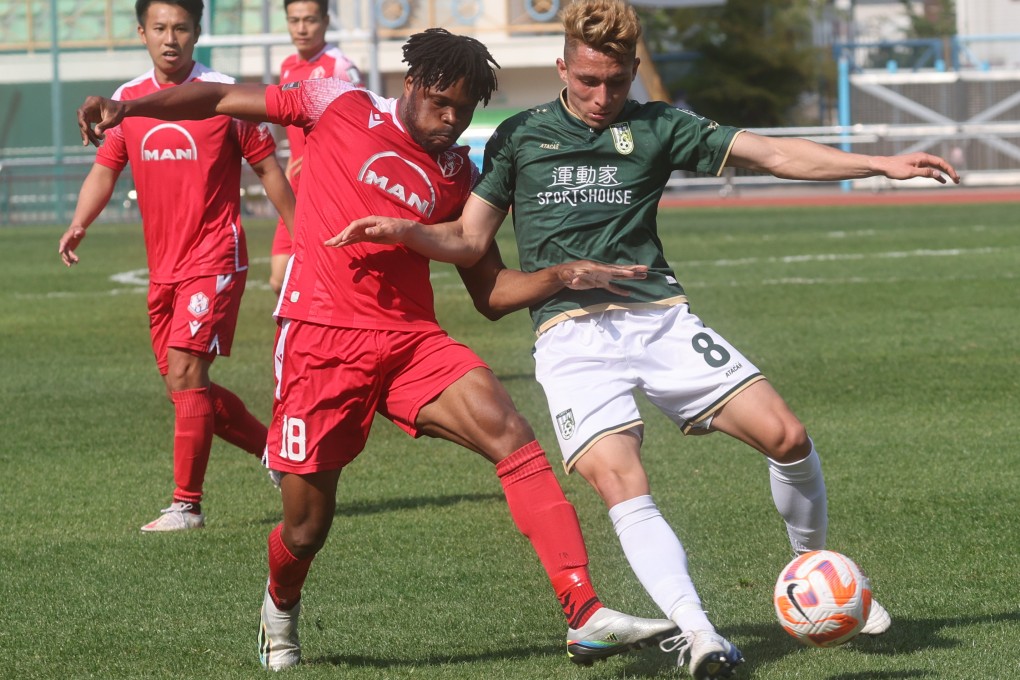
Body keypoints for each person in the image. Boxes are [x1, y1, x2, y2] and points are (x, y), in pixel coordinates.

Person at [331, 1, 962, 677]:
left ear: (633, 71)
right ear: (562, 68)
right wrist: (407, 231)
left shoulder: (659, 126)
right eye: (587, 81)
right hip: (572, 340)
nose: (602, 97)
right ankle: (700, 634)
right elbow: (467, 239)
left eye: (616, 82)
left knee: (788, 436)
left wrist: (880, 164)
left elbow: (773, 153)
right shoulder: (520, 136)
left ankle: (815, 572)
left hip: (660, 320)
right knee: (622, 480)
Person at [75, 27, 680, 671]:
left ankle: (584, 611)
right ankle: (280, 605)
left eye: (464, 110)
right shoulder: (338, 103)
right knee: (306, 527)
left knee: (510, 432)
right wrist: (129, 108)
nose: (451, 121)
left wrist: (562, 275)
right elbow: (219, 99)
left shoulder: (458, 174)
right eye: (441, 103)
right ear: (412, 85)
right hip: (320, 343)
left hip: (412, 343)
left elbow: (490, 292)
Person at [58, 0, 296, 533]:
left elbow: (269, 172)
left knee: (188, 372)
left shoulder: (226, 95)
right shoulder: (126, 102)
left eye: (182, 28)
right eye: (160, 28)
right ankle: (277, 452)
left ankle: (186, 506)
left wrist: (301, 237)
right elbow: (105, 169)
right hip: (163, 267)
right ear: (141, 32)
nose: (171, 39)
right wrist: (79, 222)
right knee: (185, 389)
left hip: (215, 256)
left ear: (197, 32)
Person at [269, 0, 363, 295]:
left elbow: (363, 127)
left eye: (309, 20)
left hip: (327, 189)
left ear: (325, 21)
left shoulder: (340, 67)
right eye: (294, 20)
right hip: (295, 187)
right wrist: (291, 163)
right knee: (278, 280)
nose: (301, 28)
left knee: (324, 280)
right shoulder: (287, 67)